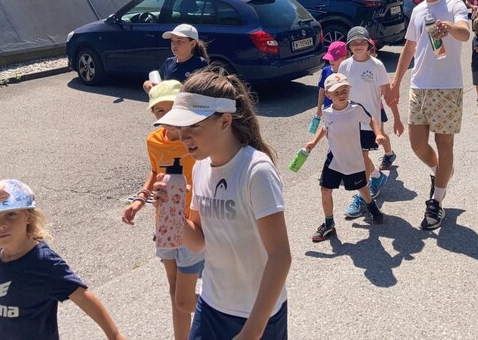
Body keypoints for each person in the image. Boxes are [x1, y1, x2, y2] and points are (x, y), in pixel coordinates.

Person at [152, 69, 290, 340]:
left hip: (258, 314)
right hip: (212, 303)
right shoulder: (201, 167)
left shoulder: (256, 170)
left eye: (194, 127)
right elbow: (198, 242)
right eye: (181, 128)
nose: (183, 136)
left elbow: (280, 256)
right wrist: (172, 211)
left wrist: (252, 331)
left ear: (225, 121)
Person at [0, 179, 125, 340]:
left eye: (11, 214)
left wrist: (114, 335)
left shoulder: (43, 262)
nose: (1, 225)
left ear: (28, 217)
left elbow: (81, 296)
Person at [387, 0, 471, 230]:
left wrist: (448, 27)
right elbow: (409, 48)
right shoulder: (418, 10)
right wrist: (396, 81)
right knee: (417, 145)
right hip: (419, 86)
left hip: (447, 86)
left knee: (444, 144)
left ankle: (436, 201)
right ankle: (441, 173)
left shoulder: (455, 5)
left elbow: (465, 33)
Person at [121, 80, 204, 340]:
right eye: (160, 111)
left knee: (186, 296)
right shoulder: (154, 141)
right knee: (174, 288)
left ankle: (220, 307)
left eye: (172, 109)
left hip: (193, 223)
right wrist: (140, 199)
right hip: (164, 223)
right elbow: (155, 170)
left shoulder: (198, 137)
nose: (167, 116)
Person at [304, 72, 387, 241]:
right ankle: (329, 224)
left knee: (362, 187)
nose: (341, 95)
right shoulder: (327, 112)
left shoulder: (355, 109)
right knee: (325, 189)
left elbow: (370, 120)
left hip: (353, 158)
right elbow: (326, 128)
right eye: (336, 93)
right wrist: (314, 141)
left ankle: (372, 207)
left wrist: (378, 134)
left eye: (344, 91)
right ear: (327, 95)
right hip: (334, 158)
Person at [338, 26, 403, 219]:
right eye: (354, 43)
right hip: (349, 121)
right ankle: (376, 176)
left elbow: (388, 94)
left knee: (359, 160)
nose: (358, 46)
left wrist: (397, 120)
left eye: (362, 42)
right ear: (349, 46)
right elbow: (340, 94)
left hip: (369, 122)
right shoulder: (344, 66)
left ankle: (361, 197)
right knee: (359, 159)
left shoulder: (376, 65)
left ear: (369, 44)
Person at [143, 24, 209, 93]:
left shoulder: (200, 63)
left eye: (179, 41)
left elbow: (203, 91)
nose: (174, 44)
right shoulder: (168, 62)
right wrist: (148, 85)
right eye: (172, 41)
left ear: (192, 44)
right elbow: (157, 82)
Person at [315, 41, 348, 118]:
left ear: (344, 58)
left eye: (334, 58)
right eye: (330, 58)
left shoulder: (348, 72)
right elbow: (322, 89)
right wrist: (319, 107)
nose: (331, 60)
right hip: (329, 110)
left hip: (345, 110)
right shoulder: (326, 71)